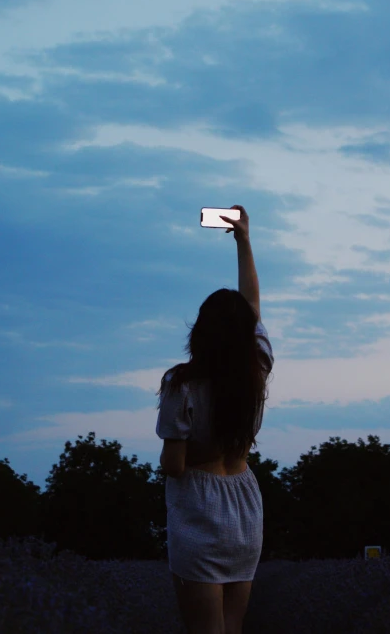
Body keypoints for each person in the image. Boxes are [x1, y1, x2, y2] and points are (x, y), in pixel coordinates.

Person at [155, 205, 274, 634]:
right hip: (244, 505)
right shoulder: (256, 369)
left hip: (200, 512)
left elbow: (172, 464)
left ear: (199, 331)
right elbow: (253, 307)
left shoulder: (181, 384)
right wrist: (244, 241)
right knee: (233, 626)